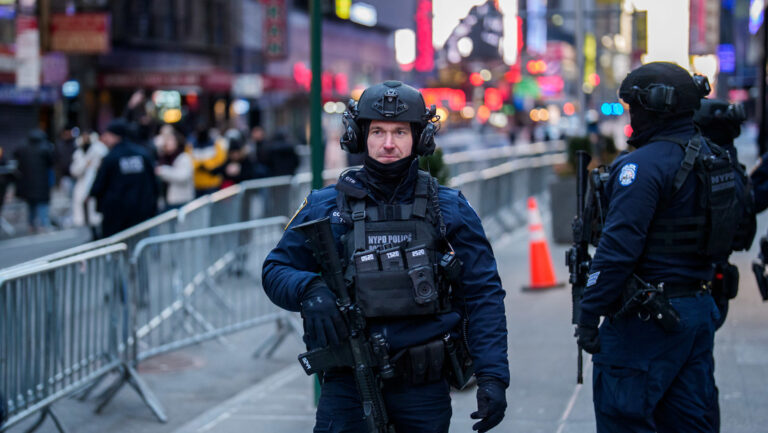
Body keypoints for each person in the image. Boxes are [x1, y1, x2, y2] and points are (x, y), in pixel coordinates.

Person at [262, 81, 509, 433]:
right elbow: (274, 270)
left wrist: (493, 375)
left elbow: (483, 293)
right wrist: (309, 289)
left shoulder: (449, 208)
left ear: (420, 138)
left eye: (399, 132)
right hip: (347, 386)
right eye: (377, 131)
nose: (388, 144)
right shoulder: (325, 207)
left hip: (423, 388)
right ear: (359, 135)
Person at [575, 62, 733, 433]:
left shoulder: (639, 168)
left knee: (625, 418)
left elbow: (616, 251)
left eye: (634, 107)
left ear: (653, 107)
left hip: (646, 321)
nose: (632, 116)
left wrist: (588, 311)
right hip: (697, 310)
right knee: (691, 422)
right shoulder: (717, 159)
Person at [89, 118, 158, 238]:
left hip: (115, 216)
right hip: (142, 213)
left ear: (115, 135)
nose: (105, 138)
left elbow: (98, 186)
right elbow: (154, 183)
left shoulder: (111, 157)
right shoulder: (142, 154)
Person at [13, 129, 54, 232]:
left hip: (28, 182)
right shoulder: (45, 147)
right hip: (42, 181)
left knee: (31, 204)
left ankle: (31, 225)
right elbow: (52, 161)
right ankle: (43, 225)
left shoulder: (24, 147)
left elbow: (16, 155)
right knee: (42, 204)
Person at [70, 131, 108, 227]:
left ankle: (95, 224)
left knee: (94, 205)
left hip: (95, 180)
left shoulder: (98, 149)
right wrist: (85, 165)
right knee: (79, 202)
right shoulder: (78, 153)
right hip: (82, 181)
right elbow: (74, 170)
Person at [155, 130, 194, 210]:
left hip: (181, 200)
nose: (167, 143)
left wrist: (163, 171)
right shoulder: (164, 158)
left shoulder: (184, 157)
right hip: (167, 200)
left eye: (171, 140)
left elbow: (183, 176)